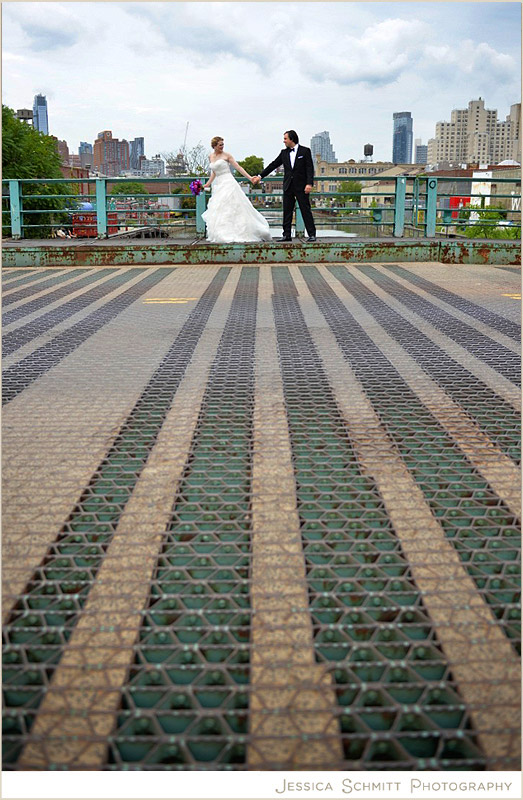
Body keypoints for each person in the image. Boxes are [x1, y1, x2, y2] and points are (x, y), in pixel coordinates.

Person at [202, 136, 272, 243]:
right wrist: (207, 184)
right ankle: (222, 232)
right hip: (219, 185)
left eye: (223, 144)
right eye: (220, 145)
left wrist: (250, 178)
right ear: (214, 146)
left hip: (228, 182)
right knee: (221, 209)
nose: (222, 146)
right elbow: (214, 172)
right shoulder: (210, 157)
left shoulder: (227, 155)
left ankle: (239, 231)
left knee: (233, 207)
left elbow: (238, 167)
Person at [253, 130, 316, 242]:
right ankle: (286, 235)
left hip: (302, 186)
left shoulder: (305, 151)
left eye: (285, 139)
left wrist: (309, 183)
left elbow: (310, 168)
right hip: (288, 186)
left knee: (305, 209)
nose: (284, 141)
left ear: (292, 139)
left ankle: (312, 234)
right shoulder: (284, 153)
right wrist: (260, 176)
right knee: (287, 211)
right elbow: (273, 165)